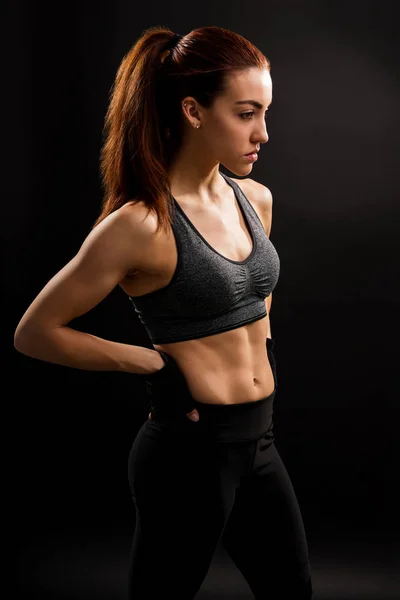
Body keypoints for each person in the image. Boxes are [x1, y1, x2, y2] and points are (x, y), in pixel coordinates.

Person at [14, 25, 315, 599]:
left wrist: (263, 357)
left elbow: (256, 299)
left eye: (266, 113)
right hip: (189, 455)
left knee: (292, 590)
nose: (263, 133)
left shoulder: (256, 200)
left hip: (260, 440)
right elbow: (35, 333)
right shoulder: (140, 225)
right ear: (193, 111)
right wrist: (150, 366)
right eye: (247, 113)